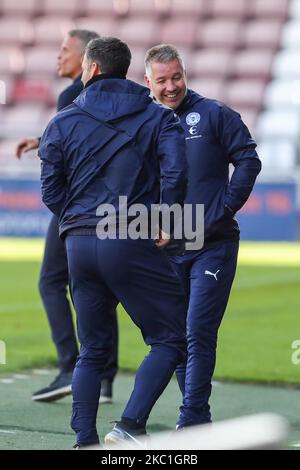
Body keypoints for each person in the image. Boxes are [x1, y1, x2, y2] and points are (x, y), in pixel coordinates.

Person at [39, 36, 188, 448]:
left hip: (80, 245)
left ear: (92, 69)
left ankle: (85, 439)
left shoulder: (62, 120)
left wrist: (74, 218)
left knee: (92, 350)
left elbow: (50, 189)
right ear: (123, 70)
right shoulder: (159, 118)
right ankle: (129, 426)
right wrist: (164, 219)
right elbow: (176, 174)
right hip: (131, 236)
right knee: (170, 338)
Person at [144, 44, 262, 428]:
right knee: (175, 337)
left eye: (176, 76)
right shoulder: (145, 124)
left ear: (184, 73)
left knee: (197, 332)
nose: (172, 86)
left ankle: (192, 416)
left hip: (213, 243)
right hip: (165, 248)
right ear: (149, 82)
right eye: (162, 80)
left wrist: (224, 207)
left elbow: (248, 158)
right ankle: (198, 419)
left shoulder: (213, 114)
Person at [15, 29, 118, 404]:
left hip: (75, 205)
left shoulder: (72, 93)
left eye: (64, 50)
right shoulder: (108, 95)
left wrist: (46, 150)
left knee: (51, 281)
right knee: (101, 289)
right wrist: (40, 139)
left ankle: (70, 367)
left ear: (86, 59)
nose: (58, 57)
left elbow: (69, 145)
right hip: (110, 205)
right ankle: (104, 378)